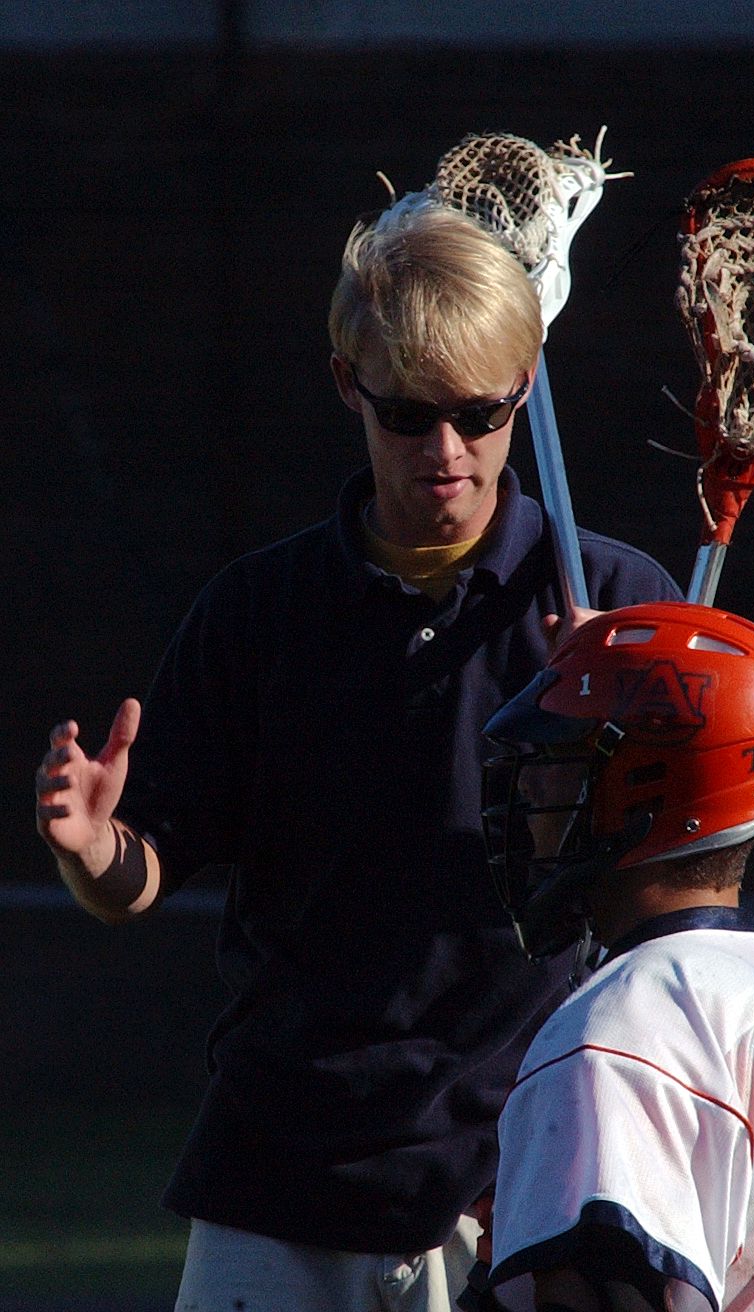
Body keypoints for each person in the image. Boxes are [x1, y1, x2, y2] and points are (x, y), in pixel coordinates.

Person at [35, 201, 681, 1312]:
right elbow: (141, 874)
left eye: (480, 413)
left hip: (523, 1181)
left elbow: (681, 898)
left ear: (525, 384)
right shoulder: (257, 609)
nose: (446, 450)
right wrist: (94, 850)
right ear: (348, 384)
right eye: (409, 413)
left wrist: (618, 724)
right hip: (278, 1174)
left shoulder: (619, 604)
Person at [477, 600, 754, 1311]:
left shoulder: (621, 1030)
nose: (531, 786)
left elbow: (602, 1296)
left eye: (561, 762)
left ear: (643, 786)